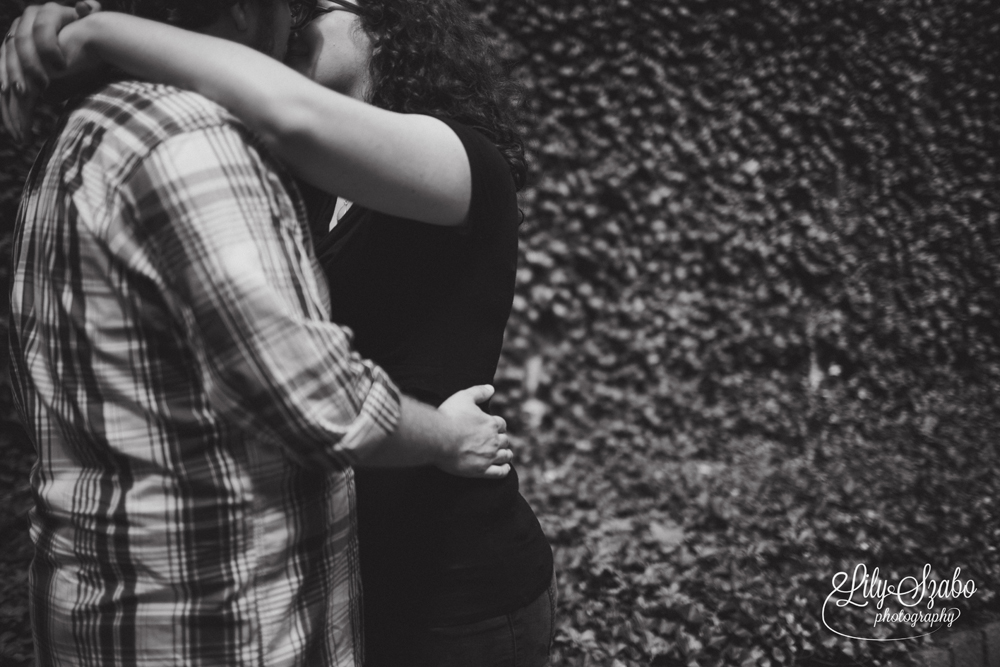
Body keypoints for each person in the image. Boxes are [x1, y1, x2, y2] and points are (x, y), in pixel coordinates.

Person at [3, 0, 556, 664]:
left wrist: (99, 28)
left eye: (317, 7)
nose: (294, 17)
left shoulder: (464, 156)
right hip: (330, 582)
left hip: (453, 581)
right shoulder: (284, 178)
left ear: (385, 29)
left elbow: (285, 109)